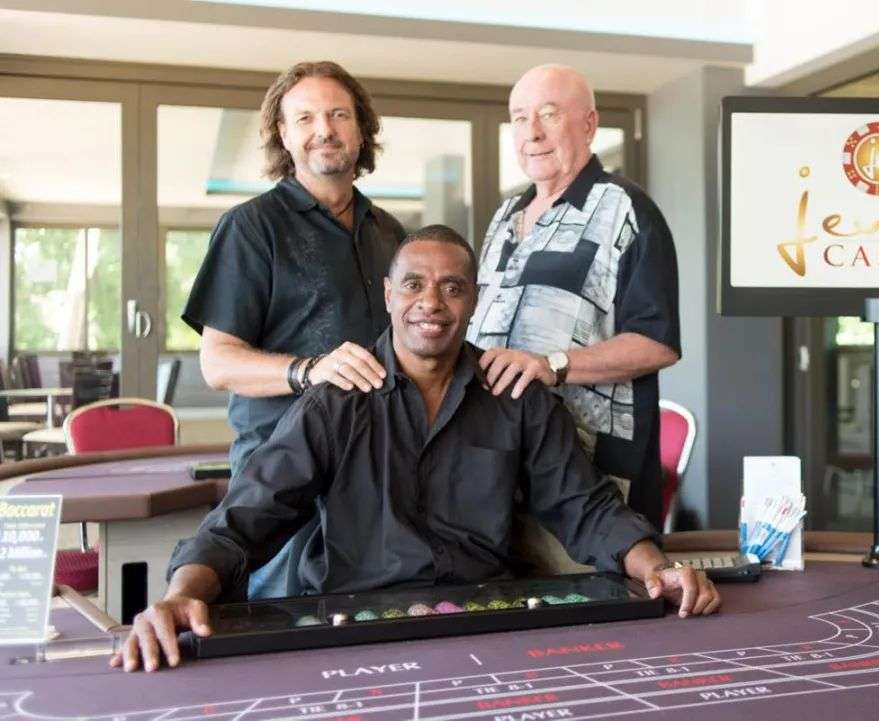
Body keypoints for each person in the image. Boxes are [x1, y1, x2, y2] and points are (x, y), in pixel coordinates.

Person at [113, 226, 720, 673]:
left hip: (489, 623)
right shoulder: (337, 398)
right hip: (350, 628)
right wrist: (179, 597)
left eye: (452, 287)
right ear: (388, 295)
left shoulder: (516, 396)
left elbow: (584, 506)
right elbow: (245, 519)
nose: (431, 302)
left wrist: (656, 569)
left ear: (474, 299)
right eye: (413, 285)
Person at [182, 61, 405, 597]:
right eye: (305, 118)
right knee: (282, 632)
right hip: (282, 486)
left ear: (361, 128)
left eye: (338, 115)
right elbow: (218, 362)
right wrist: (310, 370)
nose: (324, 129)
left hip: (381, 481)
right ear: (283, 134)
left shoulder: (391, 233)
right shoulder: (250, 227)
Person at [467, 64, 680, 530]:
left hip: (590, 477)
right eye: (520, 118)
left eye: (549, 114)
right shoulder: (505, 216)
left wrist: (552, 365)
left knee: (594, 577)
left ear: (589, 124)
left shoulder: (627, 208)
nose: (532, 132)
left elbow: (657, 342)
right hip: (499, 469)